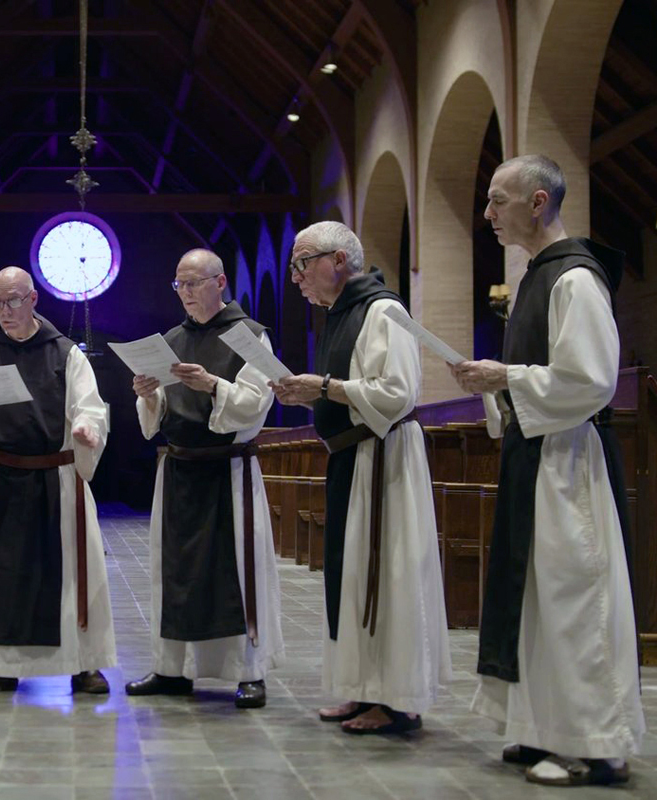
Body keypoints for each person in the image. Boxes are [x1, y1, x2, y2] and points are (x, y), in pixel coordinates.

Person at [452, 155, 644, 786]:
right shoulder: (537, 276)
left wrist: (504, 377)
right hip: (537, 456)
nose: (487, 216)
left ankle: (593, 744)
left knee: (573, 599)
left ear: (538, 202)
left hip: (568, 462)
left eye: (496, 202)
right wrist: (492, 382)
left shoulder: (575, 279)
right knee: (538, 596)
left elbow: (592, 380)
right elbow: (541, 375)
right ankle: (543, 728)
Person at [271, 221, 449, 735]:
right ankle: (364, 687)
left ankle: (397, 700)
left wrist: (323, 386)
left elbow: (397, 393)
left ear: (338, 261)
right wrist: (313, 393)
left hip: (384, 460)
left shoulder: (383, 310)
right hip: (355, 459)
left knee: (385, 576)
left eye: (303, 263)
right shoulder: (343, 314)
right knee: (354, 578)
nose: (297, 276)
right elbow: (351, 388)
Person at [124, 248, 284, 709]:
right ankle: (172, 669)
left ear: (221, 282)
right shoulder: (169, 340)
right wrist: (149, 394)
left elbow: (257, 404)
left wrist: (213, 385)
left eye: (194, 283)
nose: (186, 293)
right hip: (179, 469)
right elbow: (154, 418)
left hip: (228, 469)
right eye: (180, 285)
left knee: (238, 569)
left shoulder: (249, 337)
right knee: (174, 574)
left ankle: (249, 671)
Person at [0, 266, 115, 694]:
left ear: (33, 299)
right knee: (2, 574)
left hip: (57, 476)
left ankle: (83, 663)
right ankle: (1, 663)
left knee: (75, 571)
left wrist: (86, 431)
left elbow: (91, 406)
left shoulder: (66, 353)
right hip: (2, 478)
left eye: (13, 301)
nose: (5, 311)